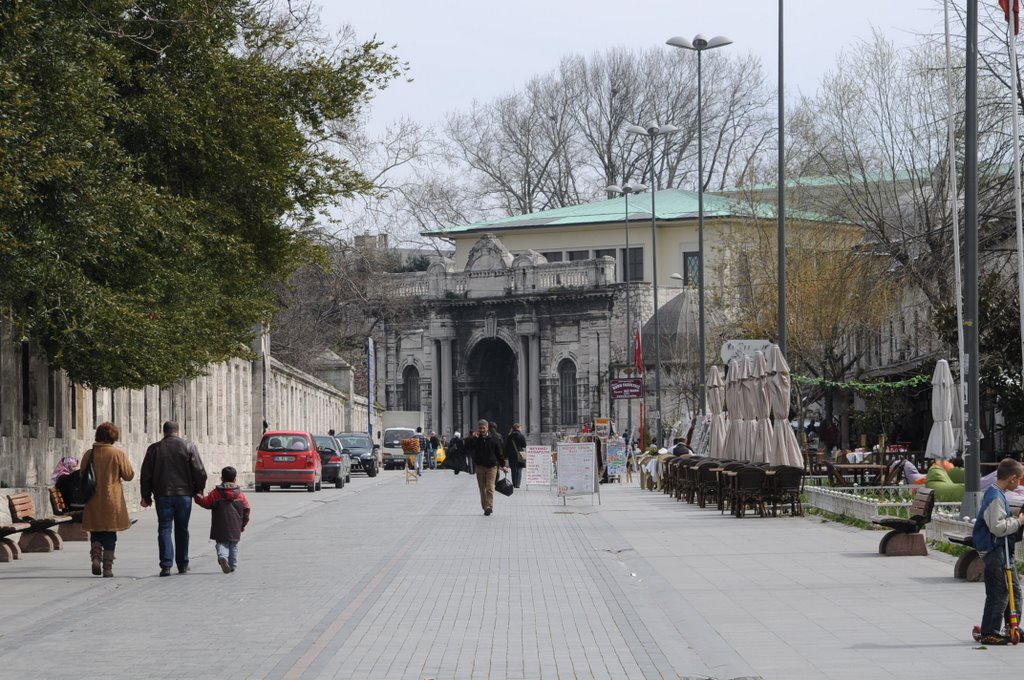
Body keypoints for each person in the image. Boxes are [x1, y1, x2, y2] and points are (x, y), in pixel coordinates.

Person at [140, 421, 208, 577]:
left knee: (164, 528)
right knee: (182, 529)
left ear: (163, 432)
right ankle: (183, 563)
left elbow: (146, 475)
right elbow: (200, 472)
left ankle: (166, 565)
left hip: (162, 495)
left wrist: (146, 496)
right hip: (184, 495)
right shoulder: (188, 446)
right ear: (178, 431)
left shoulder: (154, 449)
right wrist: (198, 490)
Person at [973, 457, 1024, 645]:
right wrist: (1018, 521)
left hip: (1002, 550)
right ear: (1012, 478)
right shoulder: (994, 496)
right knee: (999, 592)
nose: (1019, 484)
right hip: (995, 550)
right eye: (1019, 479)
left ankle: (1012, 626)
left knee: (1014, 590)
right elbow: (997, 527)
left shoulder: (998, 493)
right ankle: (990, 632)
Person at [80, 422, 135, 577]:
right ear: (113, 436)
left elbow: (82, 473)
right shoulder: (117, 454)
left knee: (96, 532)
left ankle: (96, 558)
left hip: (93, 499)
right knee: (110, 534)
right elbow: (129, 475)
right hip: (112, 500)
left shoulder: (89, 454)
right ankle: (108, 568)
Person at [194, 466, 251, 574]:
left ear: (221, 478)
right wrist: (242, 525)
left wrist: (197, 495)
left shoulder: (216, 493)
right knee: (233, 545)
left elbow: (206, 502)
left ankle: (223, 556)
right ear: (235, 479)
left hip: (219, 525)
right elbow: (247, 509)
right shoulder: (240, 494)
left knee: (221, 543)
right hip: (235, 525)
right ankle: (233, 565)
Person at [465, 419, 507, 516]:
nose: (482, 430)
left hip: (492, 467)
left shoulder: (494, 439)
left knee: (490, 487)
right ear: (478, 429)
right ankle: (485, 507)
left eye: (484, 428)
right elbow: (467, 447)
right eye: (480, 428)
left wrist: (503, 465)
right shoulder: (475, 439)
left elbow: (499, 453)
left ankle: (489, 506)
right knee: (482, 488)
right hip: (480, 466)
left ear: (487, 428)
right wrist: (472, 438)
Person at [506, 423, 527, 488]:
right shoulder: (521, 435)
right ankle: (517, 484)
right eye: (520, 427)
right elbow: (524, 445)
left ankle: (514, 483)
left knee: (513, 469)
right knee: (519, 469)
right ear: (518, 428)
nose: (521, 428)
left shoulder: (510, 436)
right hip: (519, 453)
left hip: (511, 454)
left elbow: (507, 446)